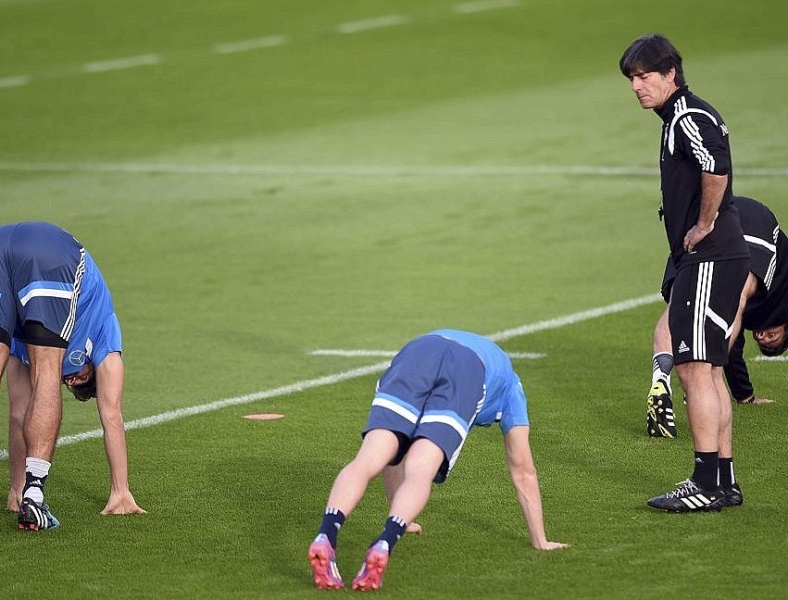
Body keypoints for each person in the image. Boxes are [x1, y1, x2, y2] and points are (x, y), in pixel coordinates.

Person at [307, 329, 568, 592]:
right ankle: (385, 540)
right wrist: (540, 539)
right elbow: (524, 470)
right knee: (421, 468)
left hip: (418, 351)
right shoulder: (512, 387)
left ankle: (326, 534)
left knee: (370, 457)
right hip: (466, 369)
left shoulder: (462, 348)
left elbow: (392, 461)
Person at [620, 34, 750, 512]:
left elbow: (715, 166)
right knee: (710, 371)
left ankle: (705, 483)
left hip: (711, 255)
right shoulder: (681, 115)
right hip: (716, 257)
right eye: (632, 78)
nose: (637, 86)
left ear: (670, 74)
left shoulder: (687, 115)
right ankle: (724, 481)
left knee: (696, 370)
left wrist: (704, 223)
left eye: (644, 76)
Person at [0, 221, 144, 530]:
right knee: (46, 374)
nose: (71, 380)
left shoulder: (23, 341)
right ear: (94, 371)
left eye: (71, 383)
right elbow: (111, 415)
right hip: (55, 254)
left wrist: (13, 489)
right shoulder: (106, 337)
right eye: (82, 378)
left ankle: (22, 493)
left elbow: (19, 413)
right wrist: (121, 491)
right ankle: (34, 497)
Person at [646, 195, 785, 439]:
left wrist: (745, 395)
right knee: (737, 298)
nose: (762, 335)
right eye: (773, 337)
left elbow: (733, 348)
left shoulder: (752, 318)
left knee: (679, 309)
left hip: (707, 218)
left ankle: (660, 380)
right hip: (754, 222)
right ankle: (702, 380)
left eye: (761, 339)